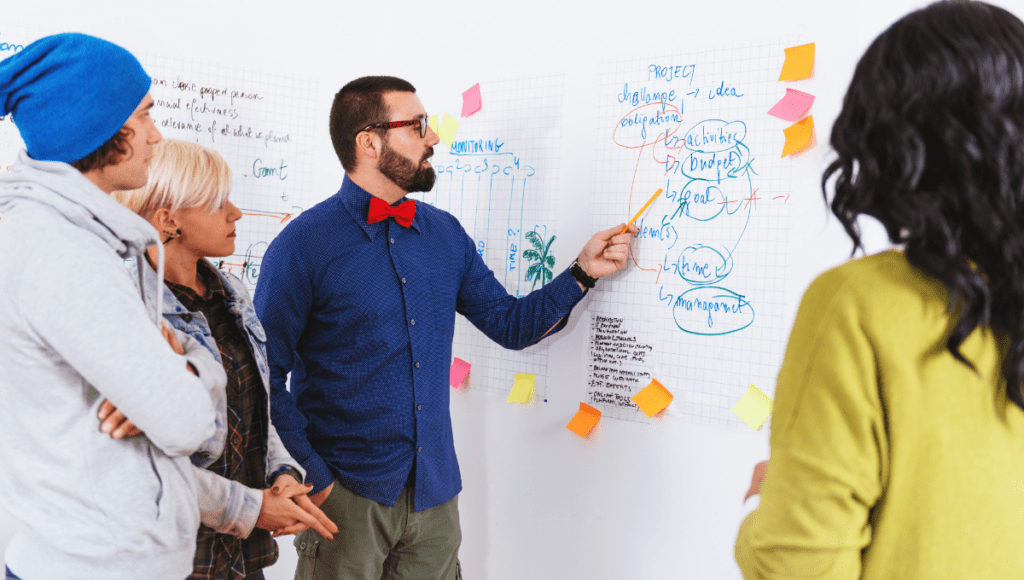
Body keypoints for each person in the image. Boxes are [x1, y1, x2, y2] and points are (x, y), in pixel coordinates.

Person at [254, 75, 637, 580]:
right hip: (345, 500)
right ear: (369, 142)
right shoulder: (303, 245)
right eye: (417, 126)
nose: (432, 137)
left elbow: (511, 324)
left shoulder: (444, 235)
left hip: (435, 496)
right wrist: (318, 478)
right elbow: (262, 377)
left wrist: (582, 273)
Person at [735, 2, 1024, 578]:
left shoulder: (857, 304)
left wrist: (757, 509)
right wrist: (581, 276)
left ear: (889, 142)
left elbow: (798, 567)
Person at [0, 34, 227, 580]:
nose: (156, 136)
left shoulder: (62, 235)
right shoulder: (65, 251)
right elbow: (187, 423)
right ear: (103, 128)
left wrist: (177, 369)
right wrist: (184, 372)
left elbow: (175, 394)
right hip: (96, 563)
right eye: (146, 116)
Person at [112, 139, 339, 580]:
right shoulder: (128, 312)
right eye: (218, 202)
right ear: (168, 220)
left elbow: (257, 407)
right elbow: (140, 462)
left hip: (237, 557)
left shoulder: (232, 293)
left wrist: (283, 473)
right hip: (166, 558)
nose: (235, 212)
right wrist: (253, 509)